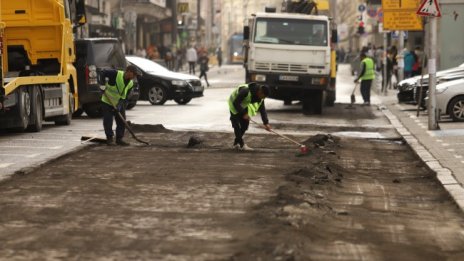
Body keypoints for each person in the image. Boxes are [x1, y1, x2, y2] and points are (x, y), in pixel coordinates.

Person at [99, 65, 138, 146]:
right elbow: (102, 73)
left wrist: (120, 105)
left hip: (118, 103)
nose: (134, 77)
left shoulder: (130, 83)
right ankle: (109, 138)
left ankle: (119, 139)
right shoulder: (115, 74)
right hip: (107, 101)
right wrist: (102, 84)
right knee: (108, 120)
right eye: (134, 74)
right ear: (129, 71)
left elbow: (125, 97)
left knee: (121, 120)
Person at [228, 82, 272, 151]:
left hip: (243, 105)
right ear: (260, 92)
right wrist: (243, 113)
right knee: (236, 125)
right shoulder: (246, 91)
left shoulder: (260, 98)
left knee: (245, 125)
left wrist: (266, 123)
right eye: (263, 96)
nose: (263, 98)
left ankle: (236, 143)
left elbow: (262, 109)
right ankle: (242, 145)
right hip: (234, 104)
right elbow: (235, 103)